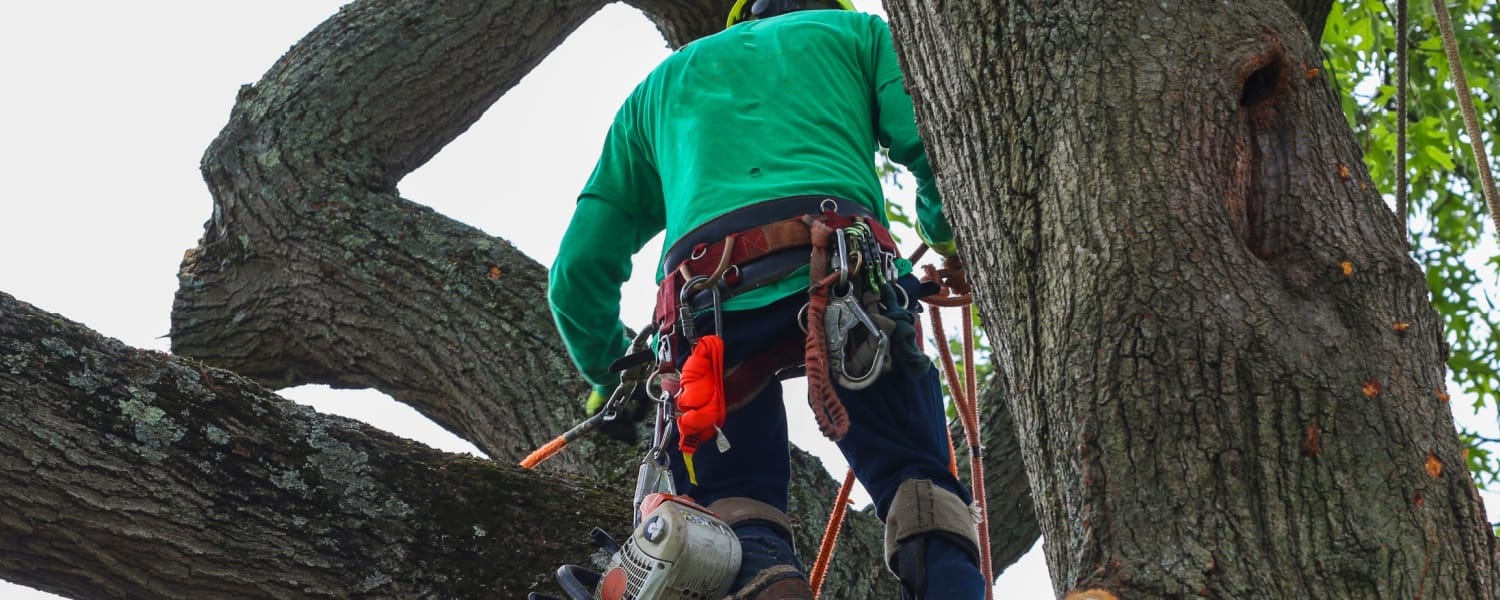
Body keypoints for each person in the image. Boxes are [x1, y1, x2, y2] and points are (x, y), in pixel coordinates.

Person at [547, 1, 985, 598]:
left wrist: (608, 372)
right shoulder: (857, 33)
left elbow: (577, 271)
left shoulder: (661, 88)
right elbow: (936, 145)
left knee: (735, 508)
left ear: (738, 20)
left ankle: (760, 567)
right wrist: (949, 237)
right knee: (921, 487)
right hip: (846, 280)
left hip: (706, 312)